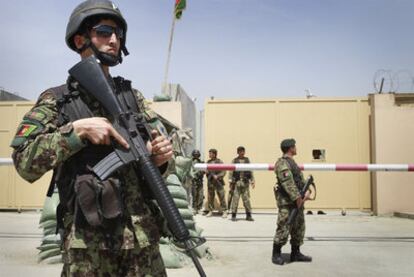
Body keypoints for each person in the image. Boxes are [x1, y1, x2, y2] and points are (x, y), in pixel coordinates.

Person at [10, 1, 173, 275]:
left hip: (143, 243)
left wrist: (161, 156)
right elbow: (24, 162)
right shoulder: (57, 101)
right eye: (105, 31)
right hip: (89, 248)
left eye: (118, 34)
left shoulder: (134, 98)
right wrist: (75, 133)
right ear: (80, 39)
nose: (114, 40)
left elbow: (164, 154)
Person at [272, 139, 312, 265]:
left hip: (297, 202)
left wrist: (306, 191)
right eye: (295, 146)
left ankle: (296, 253)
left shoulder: (292, 162)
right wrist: (298, 198)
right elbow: (288, 183)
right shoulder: (282, 163)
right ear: (290, 148)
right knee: (284, 227)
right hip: (288, 202)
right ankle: (276, 254)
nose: (296, 148)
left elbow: (298, 180)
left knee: (298, 228)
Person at [228, 146, 255, 221]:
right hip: (236, 183)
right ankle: (233, 215)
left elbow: (250, 170)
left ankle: (248, 215)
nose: (241, 153)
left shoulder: (247, 160)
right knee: (235, 200)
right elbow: (231, 171)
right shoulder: (234, 160)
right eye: (240, 151)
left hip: (245, 182)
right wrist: (230, 181)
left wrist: (252, 180)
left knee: (246, 199)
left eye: (242, 151)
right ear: (238, 152)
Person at [205, 148, 227, 218]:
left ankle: (224, 211)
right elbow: (206, 170)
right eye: (209, 153)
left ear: (214, 154)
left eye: (211, 153)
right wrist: (206, 172)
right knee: (210, 197)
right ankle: (210, 211)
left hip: (218, 182)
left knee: (221, 196)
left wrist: (217, 176)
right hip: (211, 182)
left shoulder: (219, 162)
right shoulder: (208, 162)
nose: (209, 154)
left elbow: (224, 171)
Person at [190, 149, 205, 214]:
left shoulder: (201, 162)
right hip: (194, 180)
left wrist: (202, 171)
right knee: (194, 195)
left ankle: (199, 208)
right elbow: (189, 170)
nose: (196, 155)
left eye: (197, 154)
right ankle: (194, 208)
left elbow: (204, 171)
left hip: (200, 180)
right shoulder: (190, 162)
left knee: (201, 195)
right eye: (195, 154)